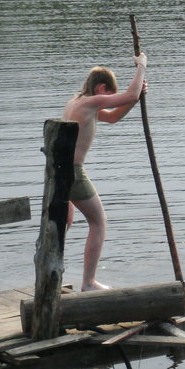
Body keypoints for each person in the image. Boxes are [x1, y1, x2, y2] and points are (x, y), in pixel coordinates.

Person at [60, 52, 147, 291]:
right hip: (73, 173)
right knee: (98, 221)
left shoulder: (77, 101)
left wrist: (134, 100)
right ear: (101, 88)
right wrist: (141, 67)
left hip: (58, 172)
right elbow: (129, 93)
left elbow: (113, 117)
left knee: (62, 224)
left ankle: (52, 273)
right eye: (110, 93)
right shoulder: (90, 102)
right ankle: (88, 283)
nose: (112, 99)